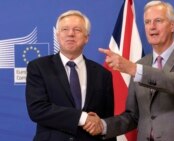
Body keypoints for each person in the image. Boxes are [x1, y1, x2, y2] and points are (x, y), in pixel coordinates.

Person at [85, 1, 174, 141]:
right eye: (147, 22)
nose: (152, 27)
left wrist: (133, 69)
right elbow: (133, 116)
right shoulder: (141, 64)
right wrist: (103, 125)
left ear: (172, 25)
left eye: (158, 21)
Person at [25, 10, 116, 141]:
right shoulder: (38, 67)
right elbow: (37, 109)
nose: (70, 34)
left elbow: (106, 121)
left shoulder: (103, 74)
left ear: (87, 37)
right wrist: (83, 118)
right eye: (65, 29)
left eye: (77, 30)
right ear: (57, 35)